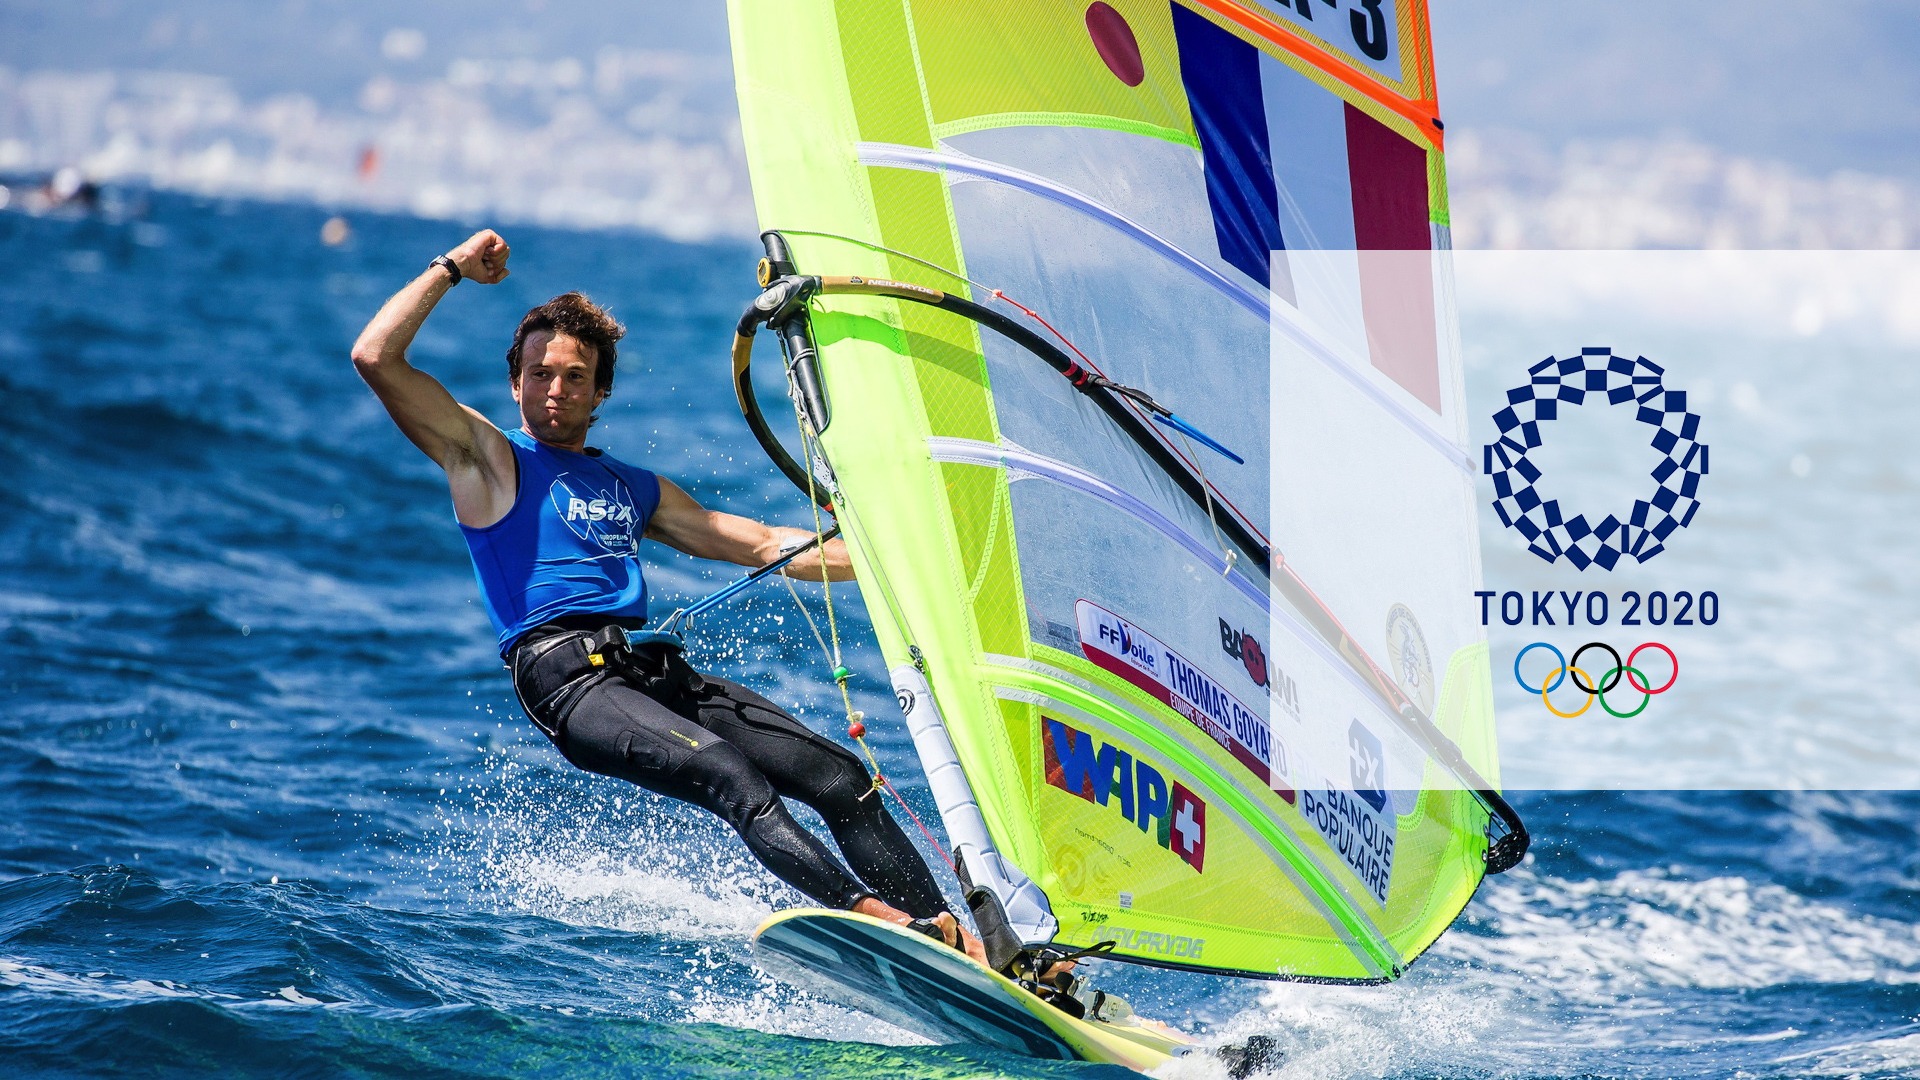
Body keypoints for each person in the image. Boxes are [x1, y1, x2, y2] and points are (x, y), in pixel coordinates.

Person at [350, 228, 984, 963]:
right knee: (729, 774)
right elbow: (375, 357)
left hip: (637, 670)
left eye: (575, 378)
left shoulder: (631, 487)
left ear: (601, 391)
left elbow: (760, 543)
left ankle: (959, 941)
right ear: (515, 380)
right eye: (540, 374)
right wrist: (451, 269)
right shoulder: (487, 459)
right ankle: (880, 922)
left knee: (839, 777)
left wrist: (898, 556)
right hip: (562, 679)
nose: (555, 391)